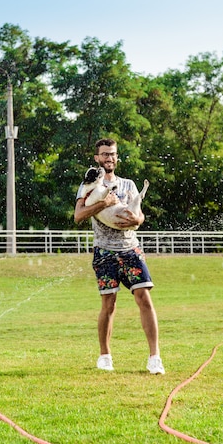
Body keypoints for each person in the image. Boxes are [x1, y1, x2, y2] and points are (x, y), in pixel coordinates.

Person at [74, 137, 165, 374]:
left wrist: (138, 220)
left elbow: (140, 216)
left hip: (130, 248)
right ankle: (105, 356)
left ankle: (155, 357)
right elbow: (78, 215)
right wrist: (102, 204)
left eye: (112, 154)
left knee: (144, 297)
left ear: (117, 157)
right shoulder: (88, 186)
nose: (109, 158)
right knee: (109, 304)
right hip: (104, 251)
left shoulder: (128, 184)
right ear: (97, 158)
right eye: (104, 154)